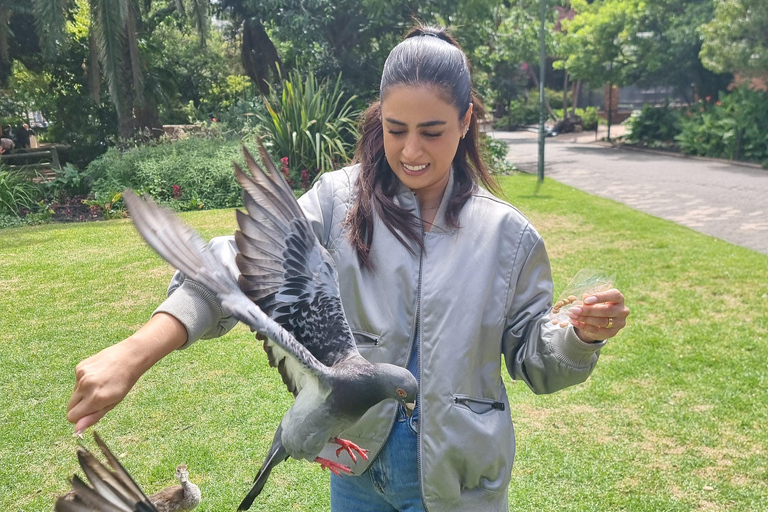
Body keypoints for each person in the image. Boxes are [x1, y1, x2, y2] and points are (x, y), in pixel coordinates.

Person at [67, 25, 629, 511]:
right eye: (394, 128)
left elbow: (536, 360)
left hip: (461, 485)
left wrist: (578, 337)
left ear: (465, 122)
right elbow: (228, 268)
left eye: (432, 132)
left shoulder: (508, 236)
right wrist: (136, 351)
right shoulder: (338, 202)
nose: (411, 151)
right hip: (358, 476)